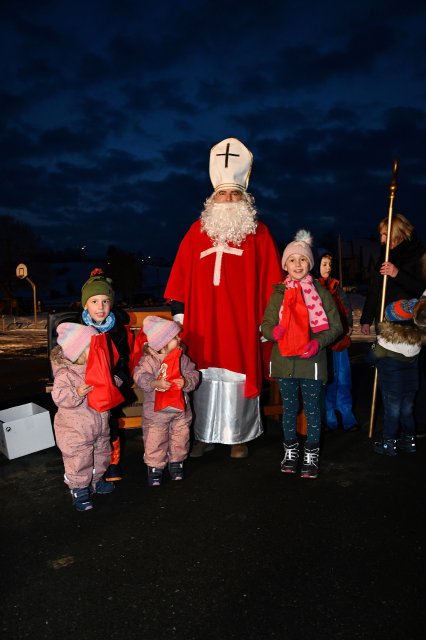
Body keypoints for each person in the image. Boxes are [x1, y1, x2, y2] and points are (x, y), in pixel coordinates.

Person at [164, 137, 283, 459]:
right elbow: (180, 277)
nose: (228, 199)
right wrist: (180, 314)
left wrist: (268, 320)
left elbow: (274, 281)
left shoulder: (259, 233)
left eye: (235, 194)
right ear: (212, 199)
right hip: (202, 323)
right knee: (201, 376)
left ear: (245, 199)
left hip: (242, 322)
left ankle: (237, 436)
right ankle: (203, 434)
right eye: (223, 194)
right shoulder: (196, 231)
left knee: (236, 376)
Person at [261, 230, 342, 478]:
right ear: (285, 265)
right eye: (292, 260)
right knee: (289, 408)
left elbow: (336, 327)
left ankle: (312, 452)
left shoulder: (322, 294)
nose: (298, 264)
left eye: (303, 259)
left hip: (312, 364)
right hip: (285, 362)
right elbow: (265, 324)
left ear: (310, 264)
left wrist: (317, 343)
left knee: (313, 410)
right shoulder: (278, 294)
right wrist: (273, 331)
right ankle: (290, 450)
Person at [51, 322, 115, 511]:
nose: (99, 350)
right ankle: (79, 489)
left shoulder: (98, 367)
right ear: (78, 352)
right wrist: (77, 392)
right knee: (79, 460)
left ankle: (96, 481)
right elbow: (59, 397)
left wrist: (114, 383)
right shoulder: (66, 374)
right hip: (76, 431)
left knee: (101, 454)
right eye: (93, 347)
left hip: (99, 425)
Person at [133, 316, 200, 486]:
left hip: (180, 411)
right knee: (155, 438)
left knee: (180, 436)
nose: (179, 339)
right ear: (162, 343)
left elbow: (194, 374)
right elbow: (140, 376)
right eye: (174, 337)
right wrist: (154, 383)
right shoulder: (149, 361)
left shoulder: (182, 358)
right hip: (156, 413)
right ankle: (155, 467)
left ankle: (176, 462)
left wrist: (186, 382)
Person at [80, 268, 131, 482]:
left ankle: (112, 462)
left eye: (105, 301)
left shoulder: (117, 329)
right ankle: (88, 463)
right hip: (86, 384)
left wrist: (118, 378)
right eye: (94, 301)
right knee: (88, 426)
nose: (100, 307)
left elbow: (123, 359)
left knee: (110, 425)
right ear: (85, 305)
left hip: (110, 383)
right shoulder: (78, 328)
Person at [370, 292, 426, 455]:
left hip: (391, 385)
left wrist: (374, 346)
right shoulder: (417, 341)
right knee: (407, 411)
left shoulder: (385, 342)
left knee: (392, 413)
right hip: (411, 385)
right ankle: (409, 441)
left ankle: (389, 443)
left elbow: (371, 357)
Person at [360, 213, 426, 335]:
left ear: (398, 232)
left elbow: (421, 289)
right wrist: (366, 320)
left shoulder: (418, 255)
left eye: (385, 234)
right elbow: (375, 288)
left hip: (406, 328)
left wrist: (397, 274)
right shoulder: (384, 256)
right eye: (381, 235)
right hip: (383, 323)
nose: (382, 240)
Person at [317, 251, 358, 431]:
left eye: (330, 265)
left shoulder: (336, 287)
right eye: (324, 264)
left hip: (340, 339)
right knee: (328, 378)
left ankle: (346, 413)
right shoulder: (314, 287)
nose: (328, 268)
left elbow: (345, 307)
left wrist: (347, 323)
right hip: (325, 341)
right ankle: (329, 415)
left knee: (344, 378)